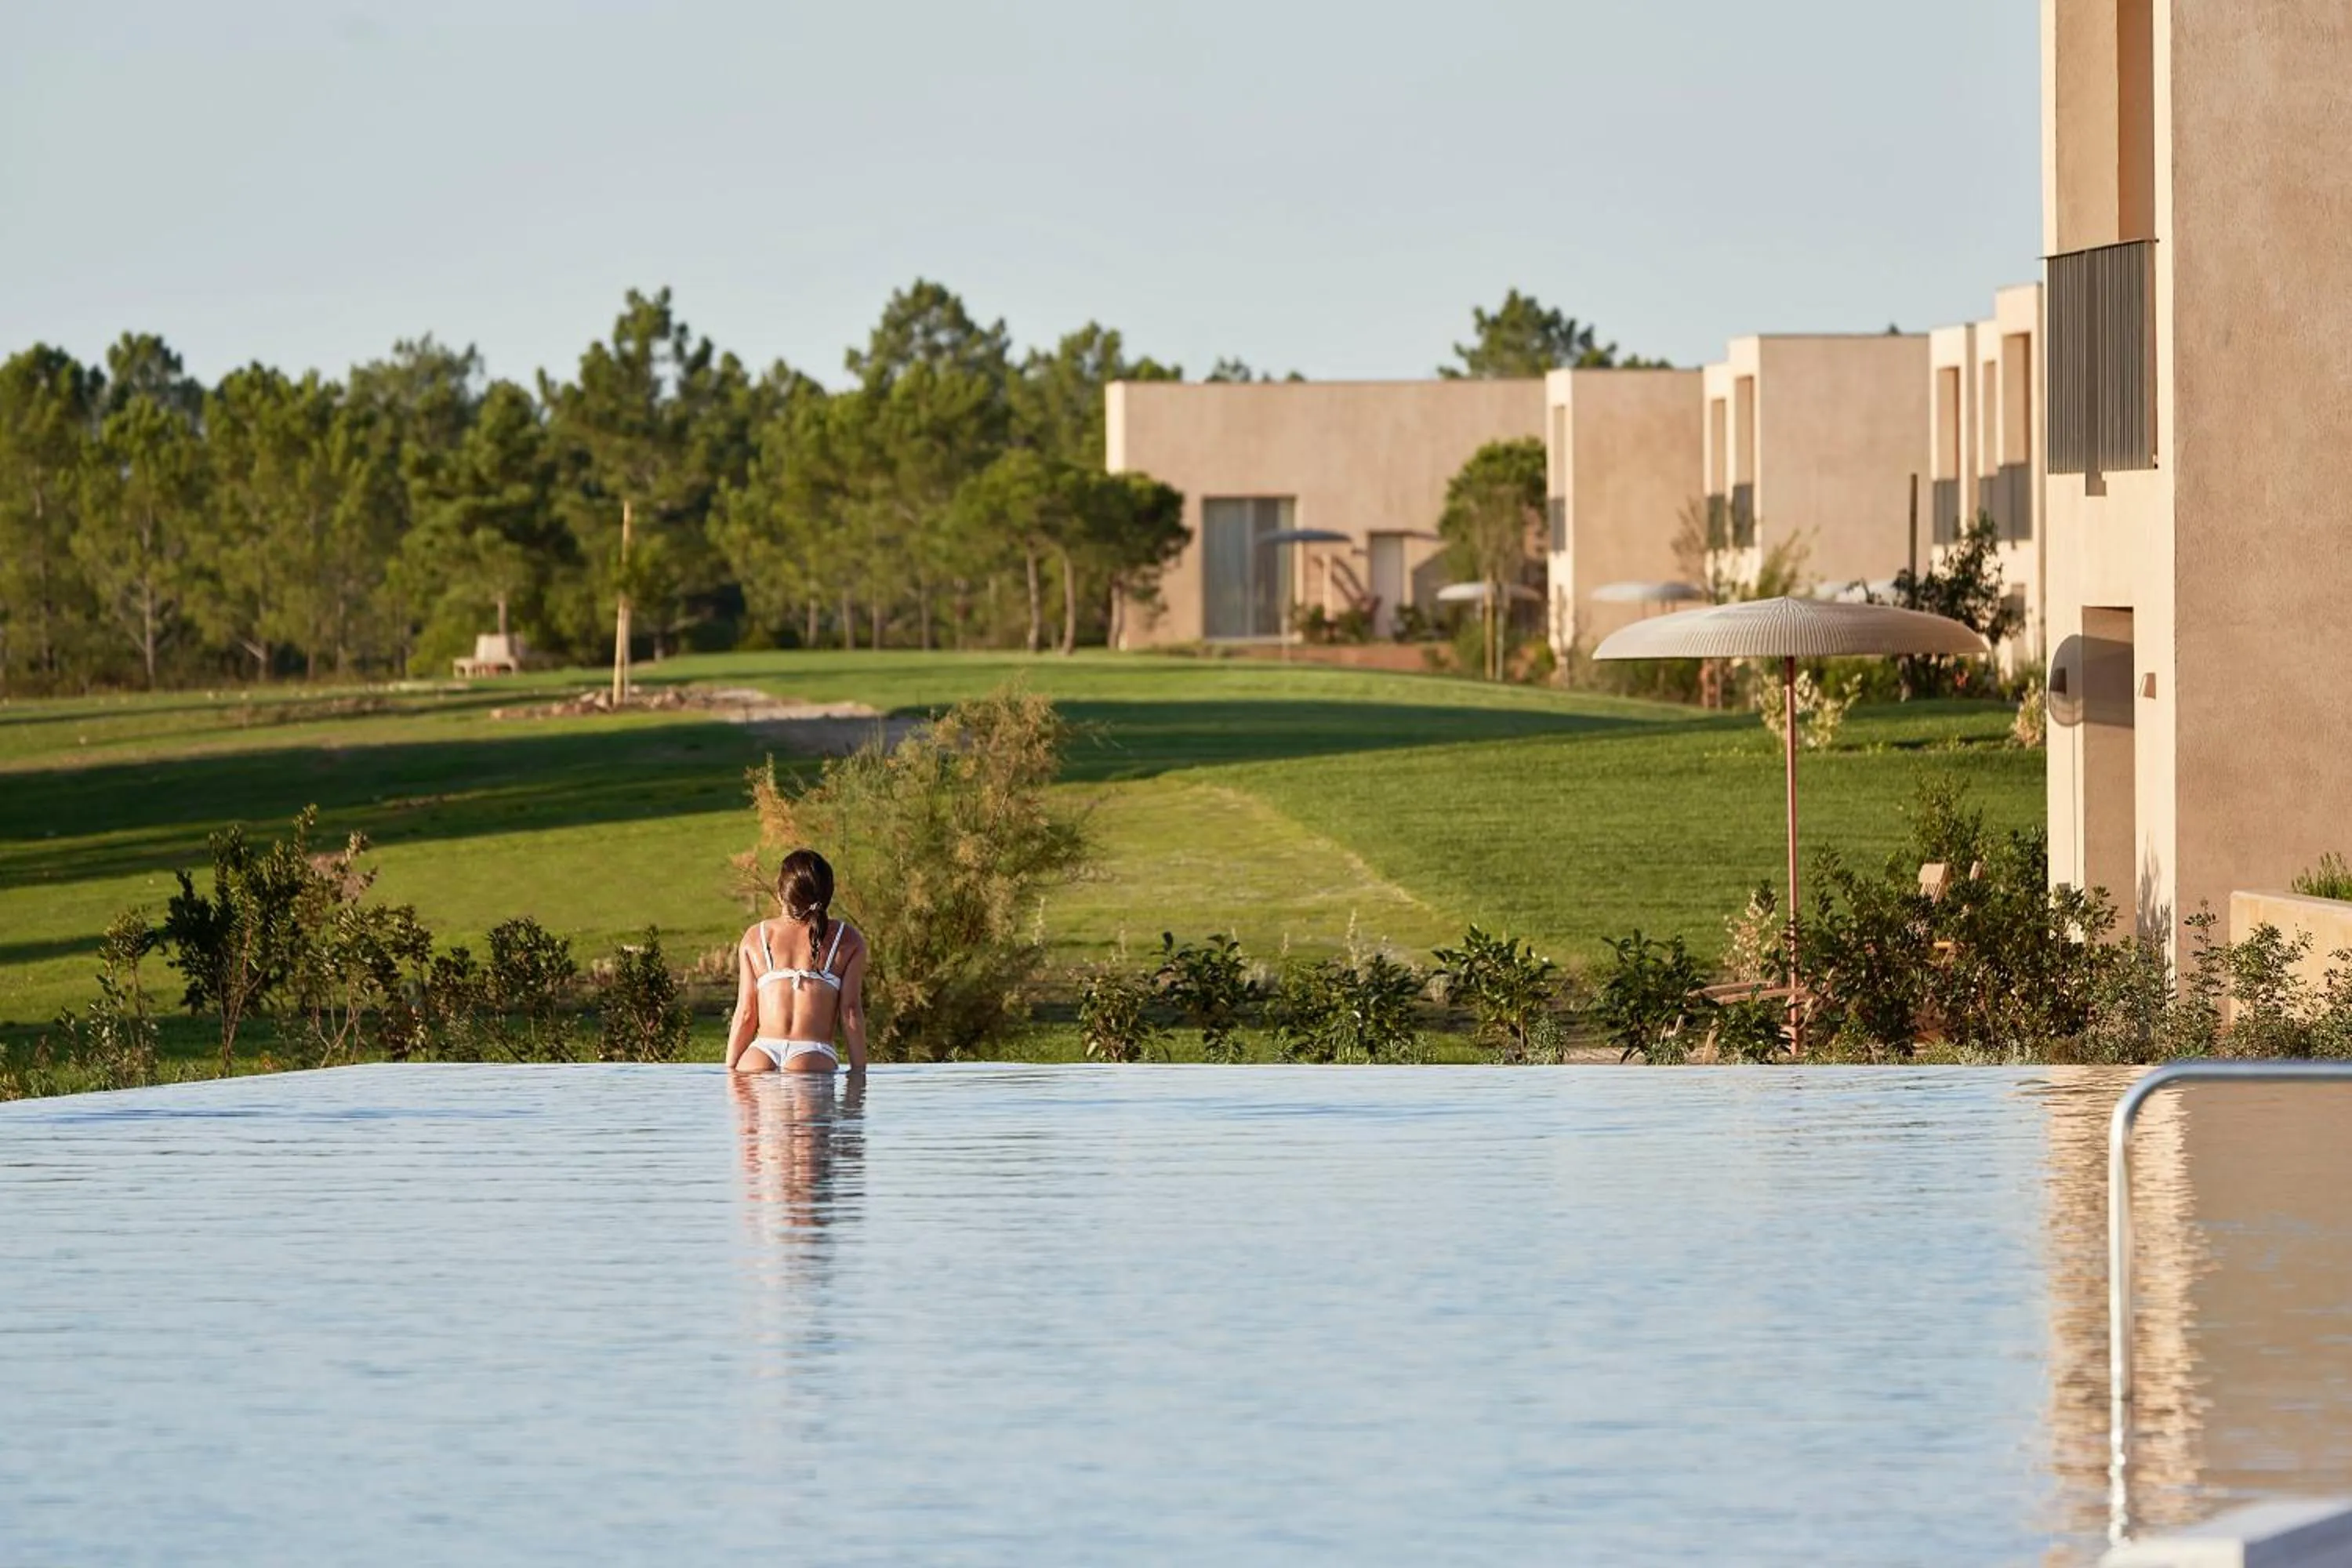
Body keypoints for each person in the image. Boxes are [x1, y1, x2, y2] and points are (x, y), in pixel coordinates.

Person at [726, 848, 868, 1074]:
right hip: (813, 1056)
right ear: (828, 893)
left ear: (782, 894)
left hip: (759, 1056)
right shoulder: (847, 939)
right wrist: (860, 1072)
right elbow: (850, 1011)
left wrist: (731, 1069)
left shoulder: (757, 937)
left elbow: (745, 1013)